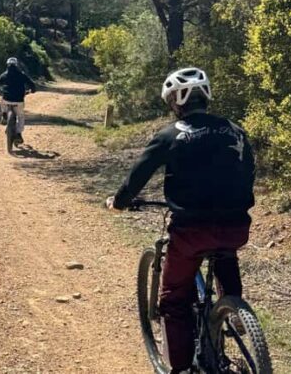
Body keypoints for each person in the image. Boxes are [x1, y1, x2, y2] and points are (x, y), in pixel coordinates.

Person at [106, 68, 255, 374]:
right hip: (237, 225)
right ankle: (233, 307)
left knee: (174, 301)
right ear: (207, 96)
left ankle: (183, 368)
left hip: (191, 231)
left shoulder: (170, 135)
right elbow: (249, 172)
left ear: (176, 101)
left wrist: (119, 202)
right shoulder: (236, 130)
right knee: (224, 250)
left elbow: (137, 177)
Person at [0, 57, 37, 145]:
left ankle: (4, 114)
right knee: (20, 117)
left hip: (6, 99)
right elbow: (32, 85)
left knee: (2, 101)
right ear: (16, 65)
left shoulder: (4, 75)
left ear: (7, 65)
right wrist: (32, 90)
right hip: (19, 100)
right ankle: (19, 134)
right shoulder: (22, 74)